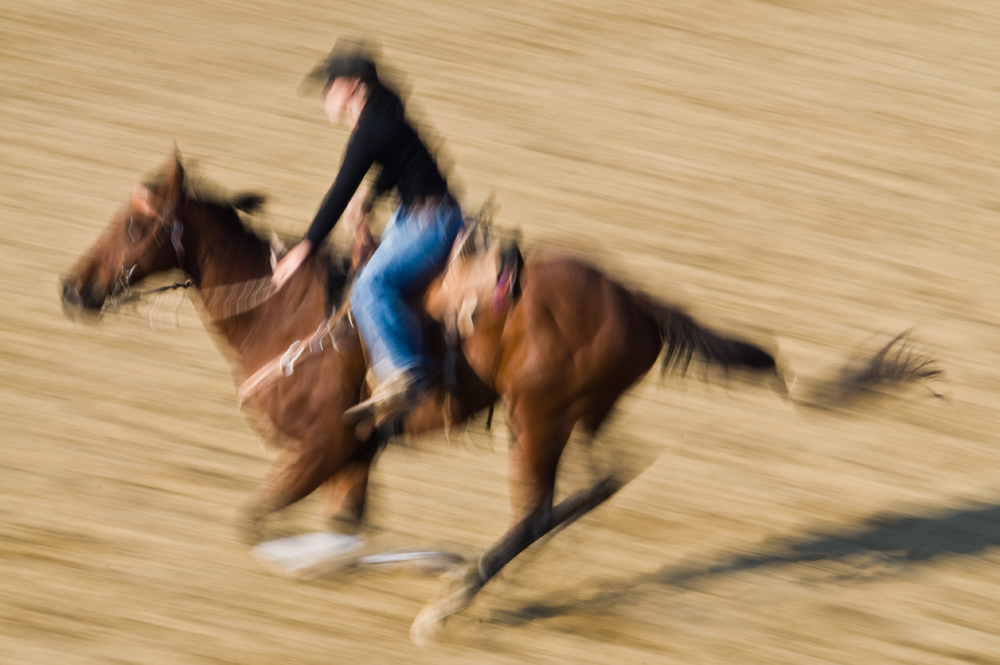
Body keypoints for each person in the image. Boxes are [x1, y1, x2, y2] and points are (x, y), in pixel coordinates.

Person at [272, 41, 464, 427]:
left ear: (353, 86)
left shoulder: (372, 127)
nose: (325, 95)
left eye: (330, 85)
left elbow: (339, 190)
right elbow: (400, 165)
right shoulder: (382, 117)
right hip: (416, 217)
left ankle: (404, 373)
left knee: (369, 287)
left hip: (431, 223)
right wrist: (372, 198)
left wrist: (304, 249)